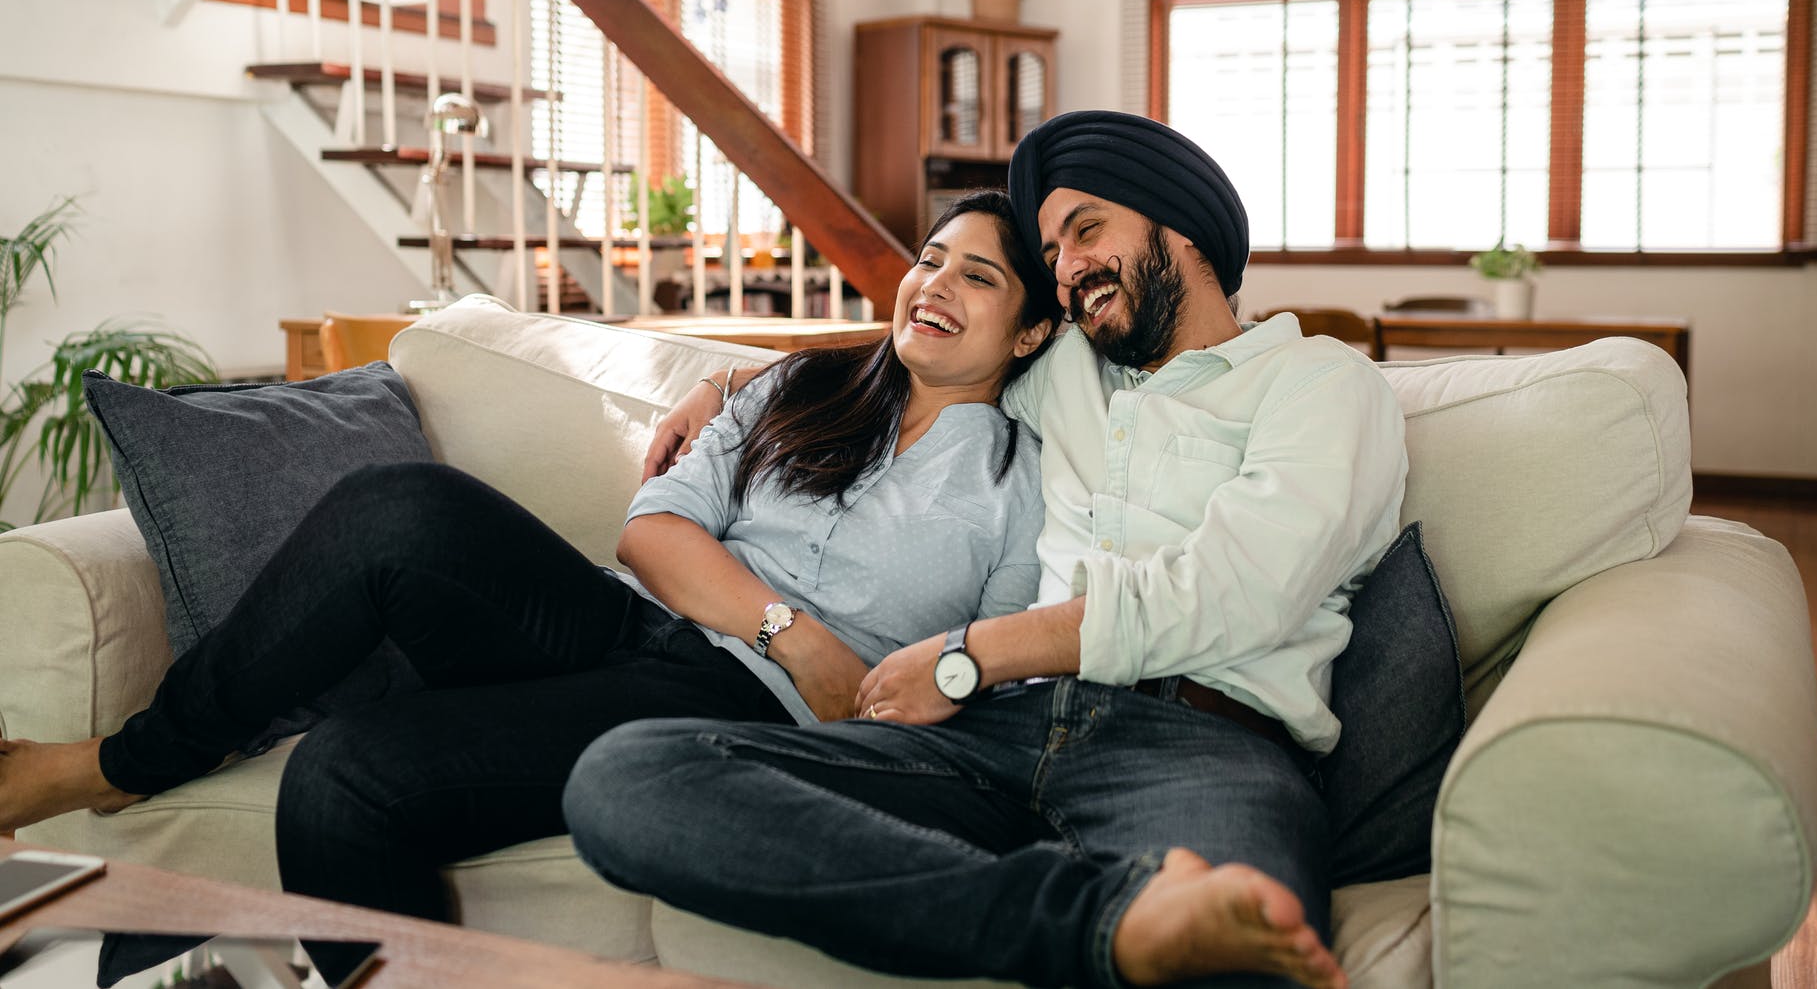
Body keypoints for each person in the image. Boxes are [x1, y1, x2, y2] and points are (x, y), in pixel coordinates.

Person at [0, 190, 1059, 927]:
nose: (934, 284)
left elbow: (998, 672)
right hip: (629, 620)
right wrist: (793, 628)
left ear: (1025, 336)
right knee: (395, 505)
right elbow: (649, 532)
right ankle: (128, 763)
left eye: (977, 277)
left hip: (732, 709)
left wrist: (866, 685)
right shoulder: (796, 387)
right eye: (928, 257)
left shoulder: (1022, 482)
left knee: (343, 775)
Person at [562, 111, 1408, 989]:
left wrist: (977, 654)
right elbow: (920, 347)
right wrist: (728, 381)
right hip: (997, 739)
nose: (1069, 269)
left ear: (1181, 225)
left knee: (1245, 956)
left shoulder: (1323, 384)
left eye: (1087, 231)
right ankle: (1095, 923)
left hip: (1200, 747)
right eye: (1053, 255)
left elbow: (1240, 589)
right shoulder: (1063, 371)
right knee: (631, 774)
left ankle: (1113, 922)